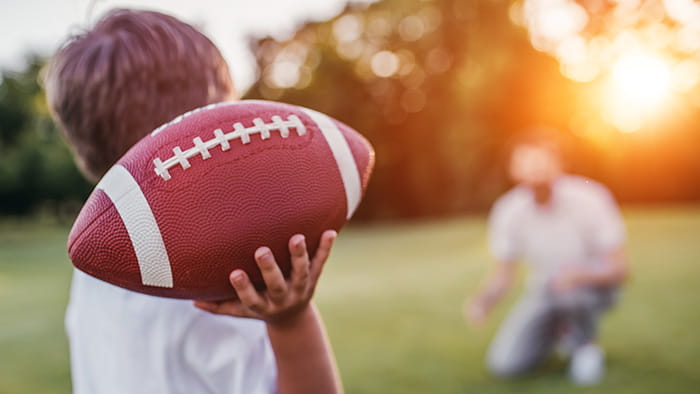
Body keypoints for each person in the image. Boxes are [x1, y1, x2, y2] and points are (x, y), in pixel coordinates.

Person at [45, 9, 342, 394]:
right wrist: (292, 323)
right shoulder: (213, 289)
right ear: (200, 135)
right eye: (228, 114)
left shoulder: (95, 265)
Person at [465, 127, 628, 385]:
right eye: (526, 162)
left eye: (542, 161)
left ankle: (585, 347)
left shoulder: (591, 197)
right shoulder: (508, 210)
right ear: (512, 169)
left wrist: (580, 275)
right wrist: (483, 301)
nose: (535, 169)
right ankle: (559, 332)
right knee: (505, 365)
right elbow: (504, 275)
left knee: (569, 291)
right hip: (546, 290)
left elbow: (620, 269)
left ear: (560, 163)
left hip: (595, 288)